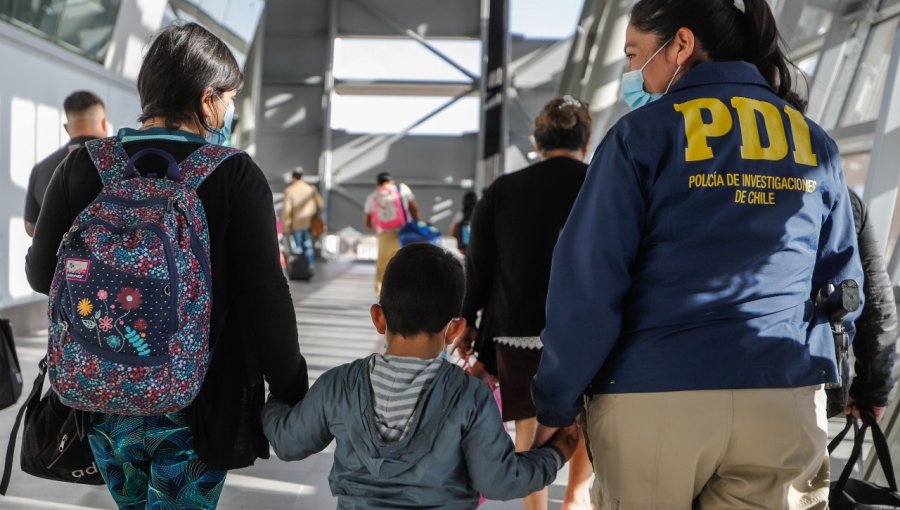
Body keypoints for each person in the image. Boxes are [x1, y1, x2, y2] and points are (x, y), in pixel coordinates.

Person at [530, 1, 864, 509]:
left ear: (681, 45)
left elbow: (590, 284)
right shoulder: (813, 140)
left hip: (654, 396)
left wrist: (556, 396)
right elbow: (841, 284)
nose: (629, 72)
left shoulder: (639, 137)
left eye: (635, 54)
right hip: (782, 395)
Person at [25, 23, 308, 508]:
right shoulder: (235, 174)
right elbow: (268, 298)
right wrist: (291, 386)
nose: (230, 108)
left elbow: (38, 276)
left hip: (101, 395)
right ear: (207, 100)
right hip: (199, 400)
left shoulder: (83, 165)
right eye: (230, 96)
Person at [262, 243, 578, 508]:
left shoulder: (339, 384)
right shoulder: (469, 396)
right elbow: (498, 481)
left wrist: (273, 399)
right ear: (455, 329)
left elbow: (289, 443)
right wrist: (556, 453)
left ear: (379, 318)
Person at [458, 96, 594, 510]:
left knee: (529, 423)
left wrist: (467, 323)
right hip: (587, 328)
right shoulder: (600, 183)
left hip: (517, 332)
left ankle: (535, 507)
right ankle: (574, 499)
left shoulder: (503, 191)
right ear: (585, 142)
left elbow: (478, 267)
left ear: (538, 144)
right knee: (586, 419)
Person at [834, 188, 897, 421]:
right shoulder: (839, 195)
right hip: (804, 382)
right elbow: (874, 299)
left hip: (714, 375)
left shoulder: (713, 175)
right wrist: (872, 390)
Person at [23, 90, 108, 237]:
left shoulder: (41, 169)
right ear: (104, 124)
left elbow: (31, 227)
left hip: (57, 258)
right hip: (110, 258)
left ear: (67, 128)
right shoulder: (121, 162)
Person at [364, 171, 420, 295]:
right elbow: (414, 210)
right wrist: (416, 226)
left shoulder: (373, 196)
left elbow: (367, 222)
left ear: (378, 184)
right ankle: (408, 295)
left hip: (385, 235)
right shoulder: (403, 189)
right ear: (392, 181)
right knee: (406, 265)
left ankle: (381, 298)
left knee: (382, 268)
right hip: (405, 234)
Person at [282, 170, 324, 271]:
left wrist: (286, 226)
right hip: (309, 222)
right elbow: (321, 204)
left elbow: (287, 210)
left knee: (298, 246)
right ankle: (310, 266)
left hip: (297, 223)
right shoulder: (310, 189)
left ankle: (300, 268)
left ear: (293, 178)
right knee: (308, 245)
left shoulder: (290, 190)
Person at [450, 190, 477, 255]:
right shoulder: (479, 214)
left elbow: (452, 231)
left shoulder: (460, 214)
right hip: (476, 246)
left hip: (463, 247)